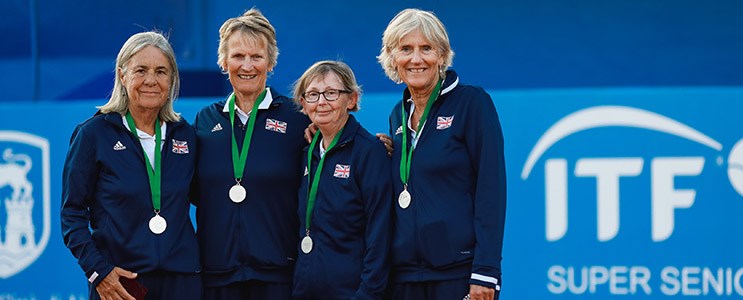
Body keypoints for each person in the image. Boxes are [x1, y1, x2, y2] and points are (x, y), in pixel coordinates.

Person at [377, 8, 507, 300]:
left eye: (426, 48)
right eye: (406, 49)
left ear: (442, 55)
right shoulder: (397, 116)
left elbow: (491, 190)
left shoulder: (472, 104)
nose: (416, 58)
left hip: (458, 273)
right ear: (392, 57)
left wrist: (485, 271)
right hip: (405, 277)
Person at [61, 31, 201, 300]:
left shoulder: (186, 135)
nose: (151, 80)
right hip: (121, 283)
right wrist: (98, 272)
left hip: (182, 282)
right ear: (122, 75)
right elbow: (71, 214)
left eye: (161, 71)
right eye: (141, 70)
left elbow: (210, 196)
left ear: (172, 80)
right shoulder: (93, 135)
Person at [191, 8, 310, 299]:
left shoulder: (297, 118)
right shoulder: (205, 121)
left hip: (279, 275)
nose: (247, 65)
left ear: (270, 62)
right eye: (237, 56)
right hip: (217, 276)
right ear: (223, 62)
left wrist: (379, 144)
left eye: (256, 56)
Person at [291, 61, 391, 299]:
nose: (322, 102)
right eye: (313, 95)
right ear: (303, 104)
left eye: (331, 93)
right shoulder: (307, 153)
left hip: (353, 292)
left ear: (352, 99)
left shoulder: (369, 151)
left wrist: (368, 293)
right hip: (305, 290)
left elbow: (380, 232)